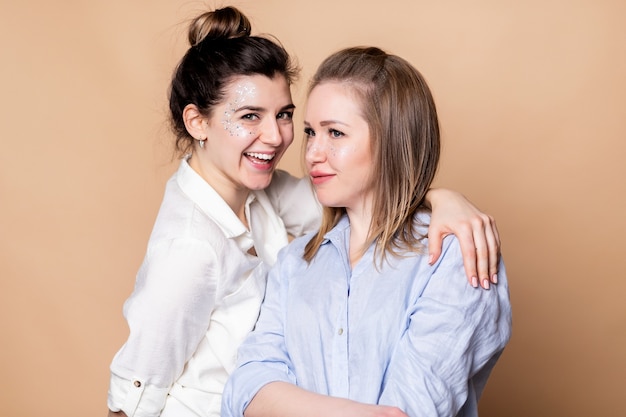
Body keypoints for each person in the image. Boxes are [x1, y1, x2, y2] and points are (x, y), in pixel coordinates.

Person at [107, 7, 502, 417]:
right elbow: (134, 391)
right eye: (249, 116)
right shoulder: (189, 246)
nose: (279, 138)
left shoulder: (264, 192)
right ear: (197, 122)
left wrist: (441, 199)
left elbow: (367, 197)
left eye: (285, 116)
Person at [222, 46, 512, 417]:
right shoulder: (295, 263)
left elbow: (412, 406)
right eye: (311, 132)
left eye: (336, 133)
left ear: (392, 139)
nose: (312, 153)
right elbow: (246, 389)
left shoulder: (454, 253)